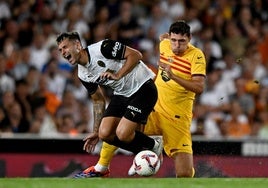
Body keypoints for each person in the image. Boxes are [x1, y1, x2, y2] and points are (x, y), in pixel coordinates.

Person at [75, 20, 207, 178]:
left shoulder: (197, 55)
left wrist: (173, 76)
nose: (177, 45)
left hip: (177, 118)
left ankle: (145, 158)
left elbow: (199, 87)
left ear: (190, 38)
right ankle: (102, 167)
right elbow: (162, 37)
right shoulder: (165, 44)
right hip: (154, 108)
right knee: (116, 129)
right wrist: (165, 38)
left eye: (182, 41)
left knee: (185, 174)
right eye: (174, 40)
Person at [56, 31, 163, 176]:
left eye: (65, 47)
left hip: (143, 87)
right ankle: (143, 154)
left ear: (78, 45)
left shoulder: (103, 48)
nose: (63, 52)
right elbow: (98, 100)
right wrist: (95, 131)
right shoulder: (82, 74)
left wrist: (118, 75)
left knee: (123, 134)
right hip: (122, 94)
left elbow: (136, 55)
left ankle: (154, 145)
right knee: (104, 133)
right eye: (60, 50)